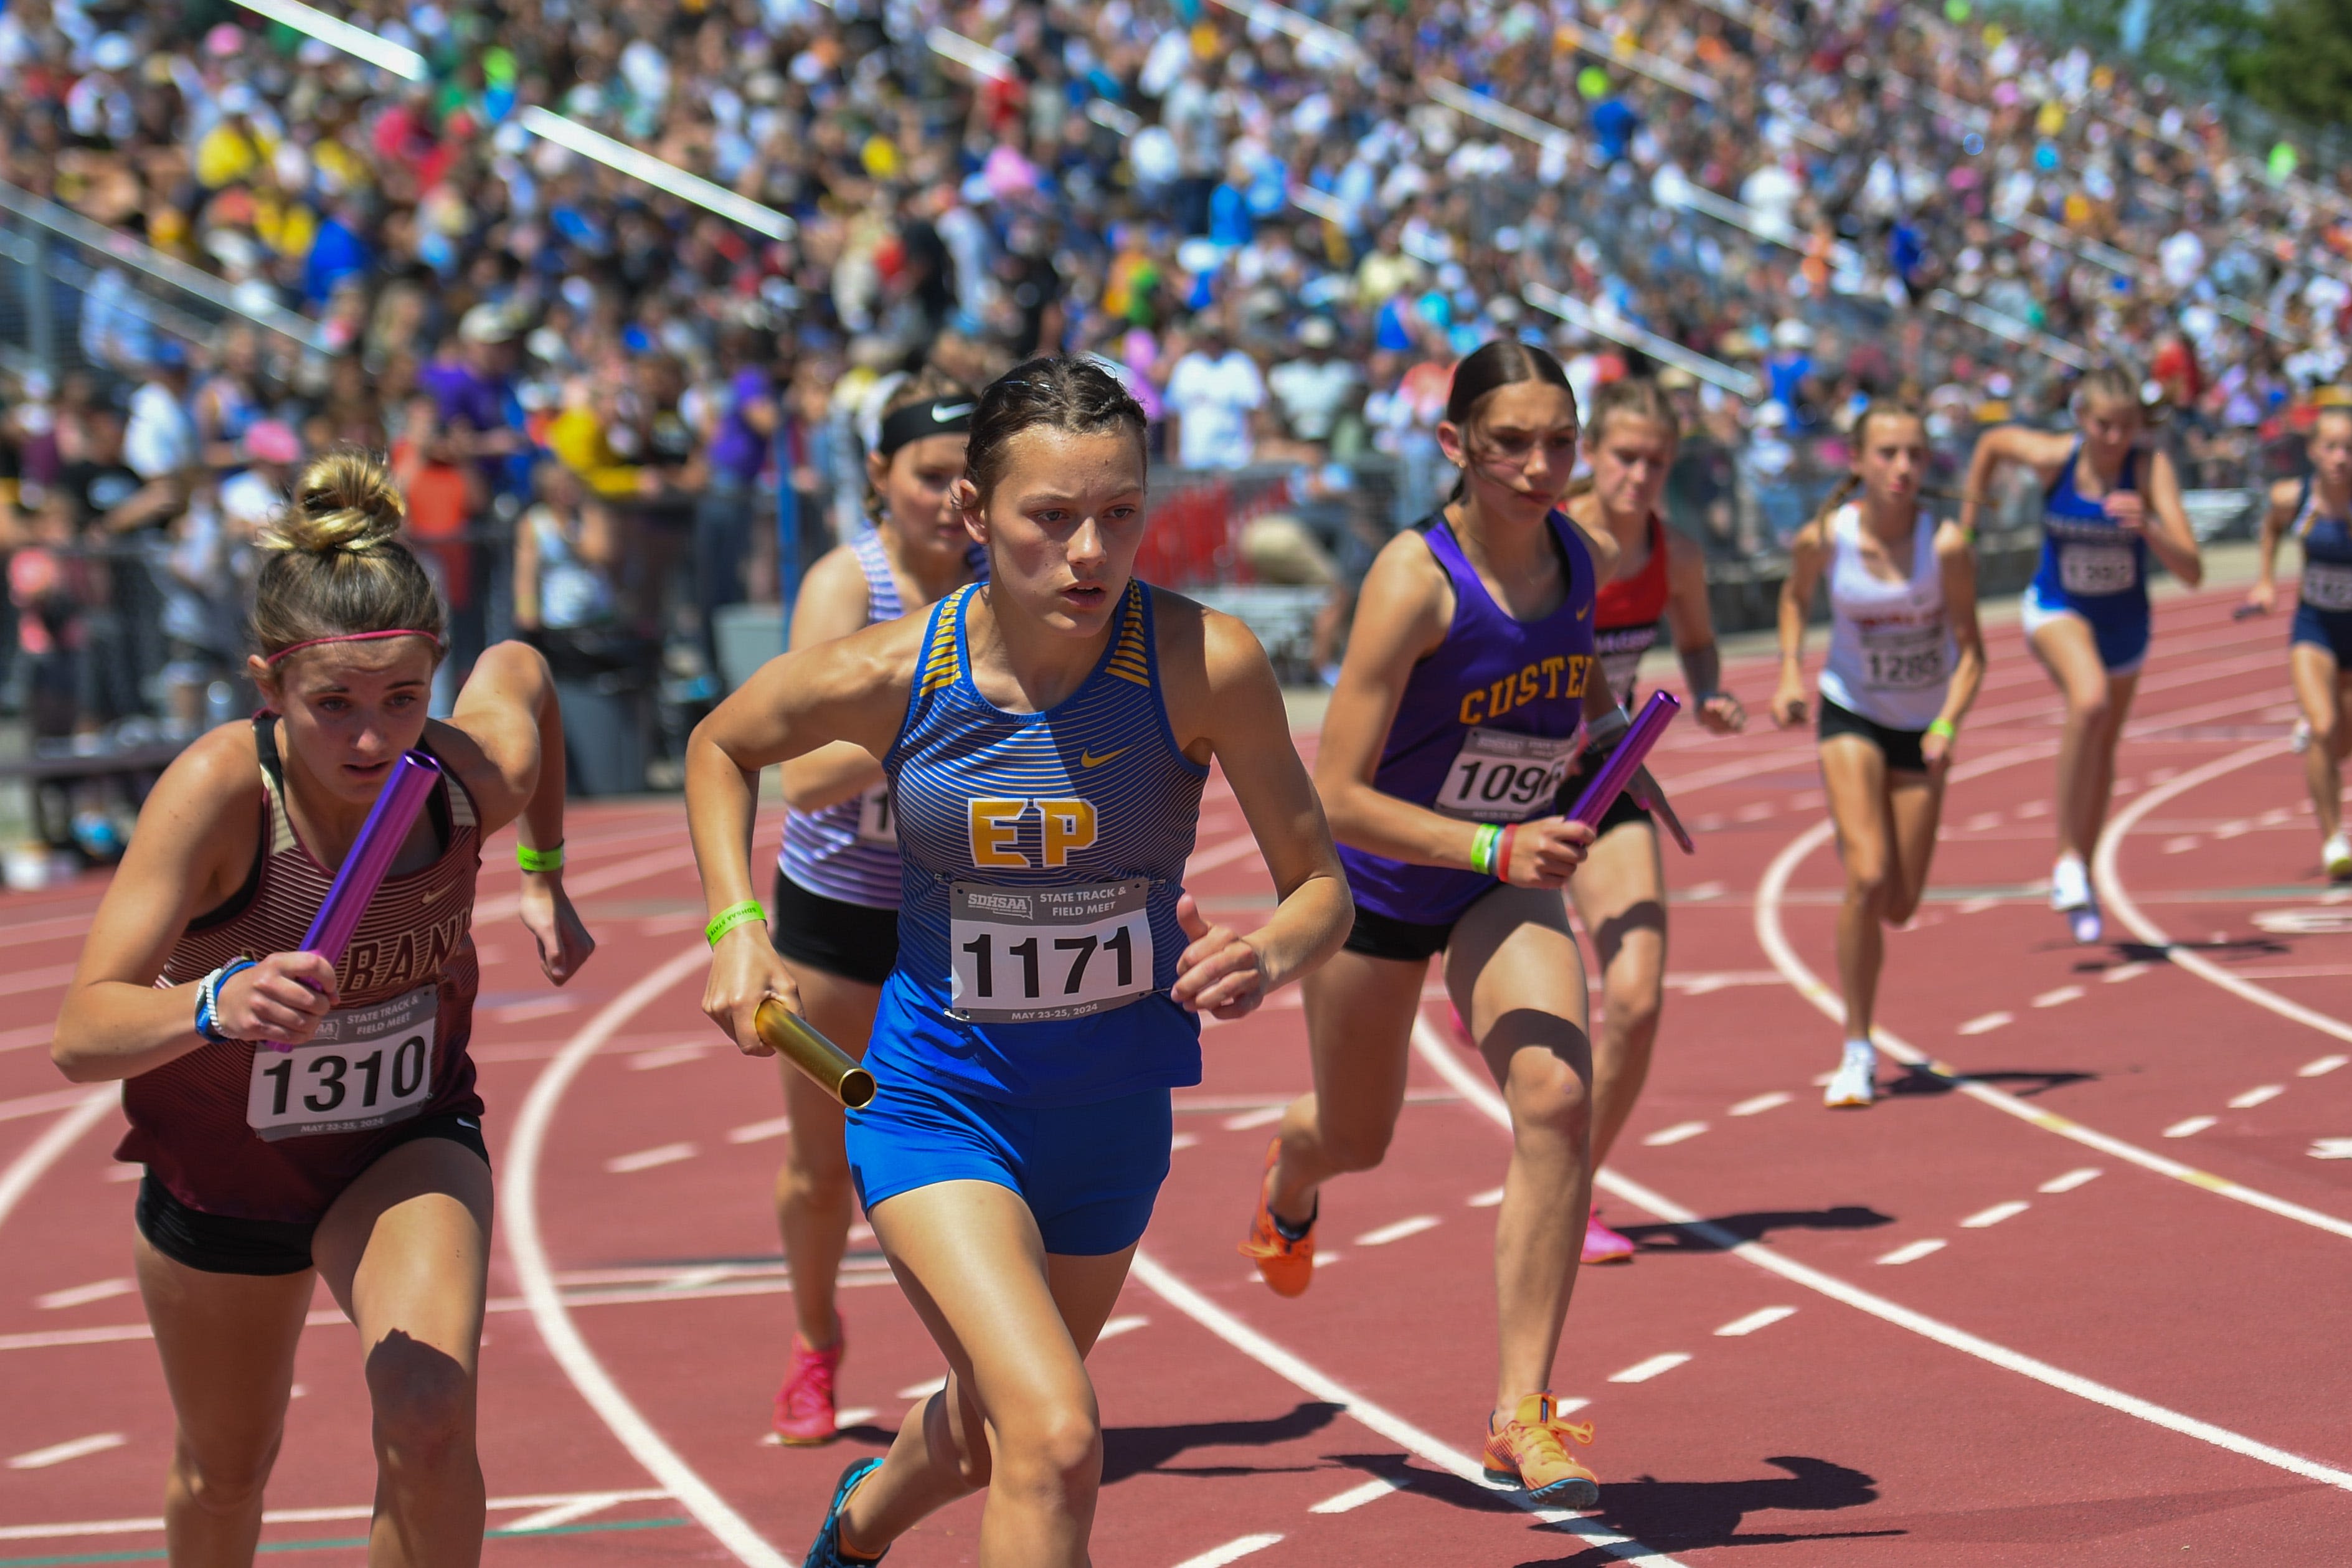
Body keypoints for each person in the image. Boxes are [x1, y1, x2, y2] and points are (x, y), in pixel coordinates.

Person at [686, 357, 1349, 1568]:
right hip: (937, 1107)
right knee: (1055, 1434)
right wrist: (738, 926)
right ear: (974, 515)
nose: (1090, 551)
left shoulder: (1209, 662)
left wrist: (1267, 952)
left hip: (1111, 1117)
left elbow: (1321, 886)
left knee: (997, 1431)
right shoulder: (899, 671)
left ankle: (854, 1527)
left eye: (1118, 513)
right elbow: (720, 744)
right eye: (1050, 517)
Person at [50, 449, 594, 1568]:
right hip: (225, 1172)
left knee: (429, 1414)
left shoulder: (458, 781)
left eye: (403, 699)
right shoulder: (217, 795)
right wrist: (215, 1000)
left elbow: (523, 671)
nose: (369, 738)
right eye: (332, 704)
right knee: (224, 1468)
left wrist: (542, 865)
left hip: (403, 1142)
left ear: (431, 675)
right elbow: (77, 1034)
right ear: (268, 686)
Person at [1239, 340, 1620, 1505]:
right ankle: (1288, 1175)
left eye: (1559, 441)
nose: (1540, 465)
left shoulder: (1576, 554)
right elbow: (1334, 789)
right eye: (1511, 442)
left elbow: (1575, 696)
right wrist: (1490, 838)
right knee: (1357, 1136)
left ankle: (1521, 1410)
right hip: (1377, 888)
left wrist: (1610, 753)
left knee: (1557, 1094)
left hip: (1497, 885)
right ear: (1454, 445)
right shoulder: (1416, 579)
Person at [764, 371, 985, 1445]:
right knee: (821, 1166)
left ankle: (985, 1362)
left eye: (966, 477)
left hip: (955, 922)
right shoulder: (847, 588)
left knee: (967, 1151)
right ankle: (815, 1340)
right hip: (834, 922)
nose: (950, 498)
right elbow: (800, 775)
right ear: (879, 481)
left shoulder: (1008, 581)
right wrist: (950, 722)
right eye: (929, 475)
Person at [1557, 378, 1745, 1265]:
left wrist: (1708, 691)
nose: (1638, 476)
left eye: (1656, 462)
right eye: (1624, 457)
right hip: (1486, 784)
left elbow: (1698, 637)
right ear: (1592, 455)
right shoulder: (1549, 540)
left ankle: (1576, 1186)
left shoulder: (1675, 553)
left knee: (1634, 995)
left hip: (1605, 775)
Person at [1772, 404, 1985, 1107]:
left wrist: (1948, 726)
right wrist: (1789, 673)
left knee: (1899, 902)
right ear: (1858, 462)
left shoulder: (1945, 546)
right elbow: (1795, 598)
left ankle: (1871, 845)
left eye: (1916, 454)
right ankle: (1857, 1049)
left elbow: (1973, 654)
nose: (1903, 468)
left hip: (1921, 727)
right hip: (1850, 711)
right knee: (1866, 877)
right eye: (1889, 453)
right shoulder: (1825, 539)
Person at [1960, 367, 2201, 943]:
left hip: (2124, 626)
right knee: (2087, 703)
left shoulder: (2148, 469)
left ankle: (2081, 872)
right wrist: (1966, 531)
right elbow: (1992, 443)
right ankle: (2066, 857)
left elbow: (2191, 571)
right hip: (2055, 608)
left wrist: (2150, 527)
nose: (2115, 439)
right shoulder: (2053, 459)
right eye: (2103, 426)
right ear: (2080, 420)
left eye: (2126, 427)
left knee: (2103, 751)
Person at [2244, 404, 2352, 880]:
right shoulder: (2295, 498)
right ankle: (2333, 840)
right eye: (2330, 447)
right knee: (2324, 724)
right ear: (2312, 451)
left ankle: (2314, 733)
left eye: (2349, 449)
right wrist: (2265, 580)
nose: (2340, 458)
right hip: (2314, 629)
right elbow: (2269, 527)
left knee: (2340, 742)